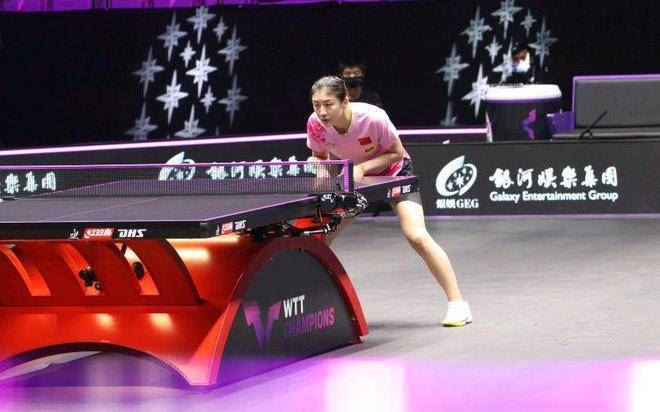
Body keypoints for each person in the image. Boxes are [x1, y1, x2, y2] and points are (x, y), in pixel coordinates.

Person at [306, 76, 472, 327]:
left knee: (416, 235)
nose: (322, 112)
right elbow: (320, 157)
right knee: (321, 238)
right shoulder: (315, 124)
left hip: (395, 174)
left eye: (328, 104)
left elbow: (396, 152)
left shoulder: (373, 118)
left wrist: (363, 168)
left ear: (345, 101)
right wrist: (319, 167)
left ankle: (458, 304)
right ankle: (316, 306)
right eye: (316, 105)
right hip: (355, 181)